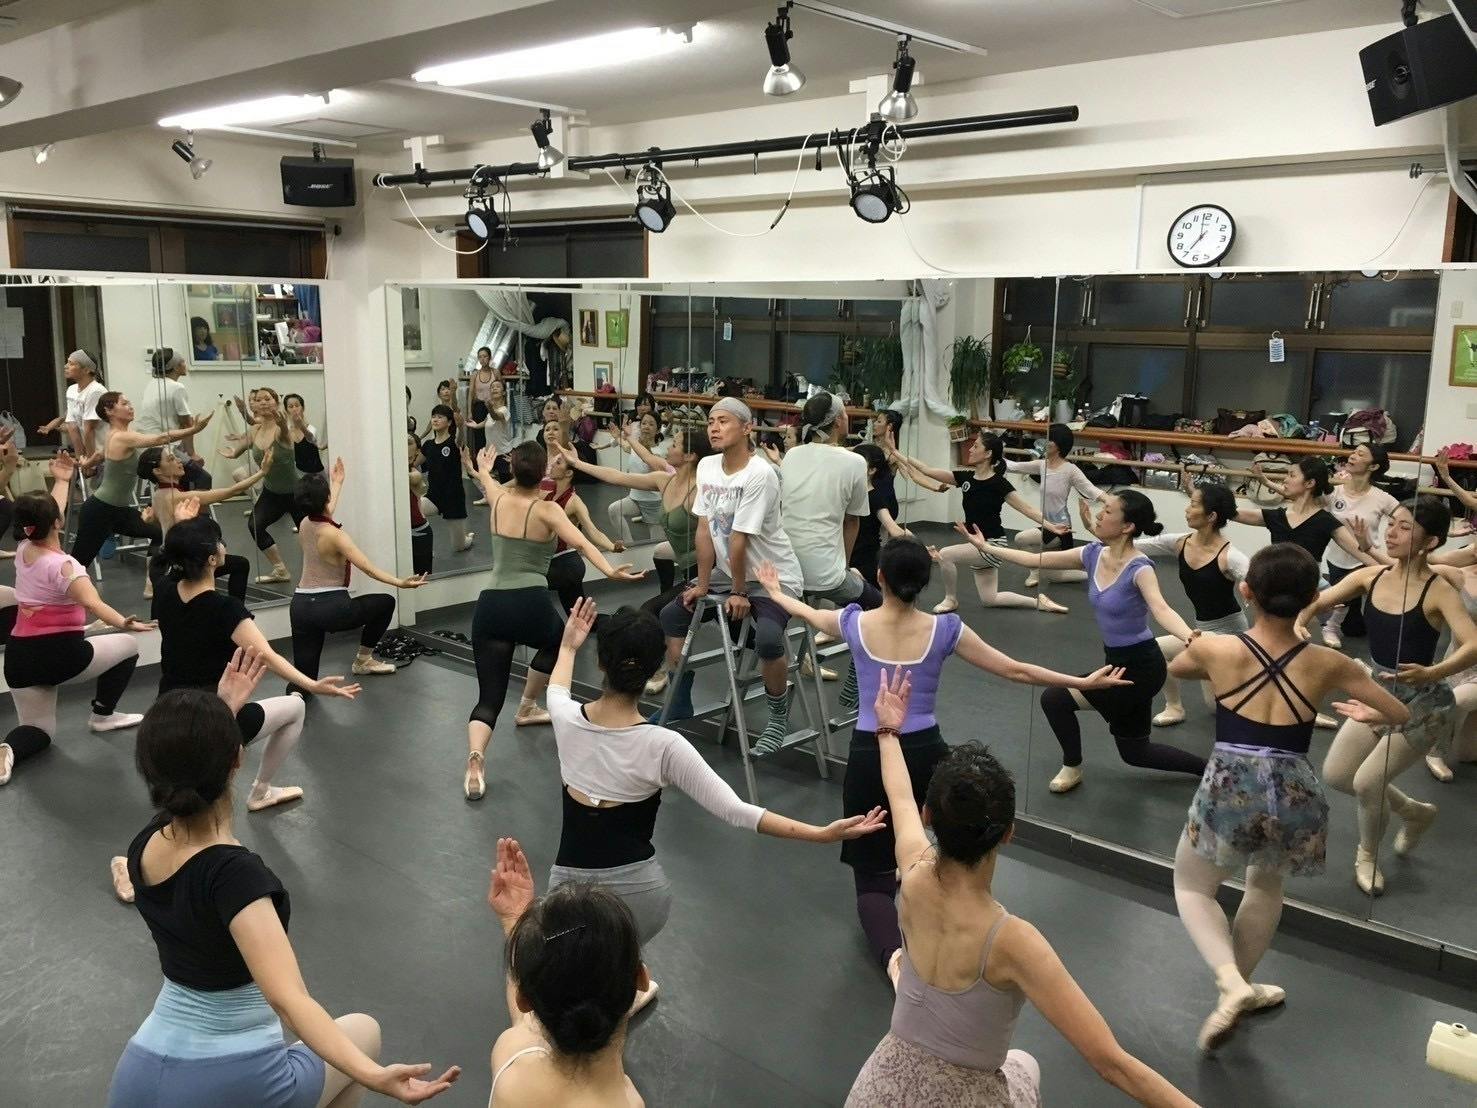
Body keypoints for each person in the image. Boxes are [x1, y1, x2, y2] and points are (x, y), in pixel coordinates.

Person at [758, 539, 1128, 977]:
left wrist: (776, 591)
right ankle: (963, 927)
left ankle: (894, 961)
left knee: (872, 880)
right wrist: (1082, 682)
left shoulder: (853, 622)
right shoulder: (945, 629)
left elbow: (806, 612)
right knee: (946, 843)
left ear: (879, 578)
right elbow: (1014, 668)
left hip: (871, 753)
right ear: (924, 582)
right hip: (929, 754)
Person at [847, 668, 1198, 1108]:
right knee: (1025, 1064)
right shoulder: (1013, 941)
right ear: (1008, 832)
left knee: (1022, 1064)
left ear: (928, 816)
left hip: (882, 1088)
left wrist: (887, 730)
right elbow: (1112, 1064)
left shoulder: (913, 873)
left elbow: (899, 794)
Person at [107, 671, 461, 1107]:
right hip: (230, 1079)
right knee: (364, 1031)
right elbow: (289, 1001)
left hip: (140, 1075)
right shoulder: (234, 877)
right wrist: (376, 1077)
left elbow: (189, 764)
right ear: (237, 759)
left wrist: (225, 709)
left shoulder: (146, 842)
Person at [543, 599, 886, 1005]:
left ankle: (621, 982)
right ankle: (627, 979)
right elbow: (736, 811)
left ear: (601, 663)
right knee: (608, 965)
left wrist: (569, 646)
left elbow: (557, 687)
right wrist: (822, 833)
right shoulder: (664, 745)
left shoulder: (564, 716)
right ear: (656, 669)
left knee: (574, 982)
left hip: (566, 894)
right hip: (640, 900)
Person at [1169, 542, 1407, 1051]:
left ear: (1246, 591)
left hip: (1232, 784)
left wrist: (1202, 643)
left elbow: (1179, 669)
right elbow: (1400, 713)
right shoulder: (1330, 663)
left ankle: (1230, 983)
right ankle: (1240, 989)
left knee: (1191, 886)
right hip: (1294, 788)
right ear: (1312, 599)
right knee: (1265, 887)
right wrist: (1369, 713)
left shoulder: (1218, 649)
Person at [973, 491, 1208, 795]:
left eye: (1107, 511)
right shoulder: (1092, 554)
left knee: (1055, 700)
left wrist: (1188, 636)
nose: (1099, 515)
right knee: (1135, 752)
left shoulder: (1140, 568)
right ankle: (1209, 769)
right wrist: (985, 547)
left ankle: (1072, 766)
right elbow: (1035, 559)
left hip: (1139, 669)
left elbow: (1161, 608)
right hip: (1118, 661)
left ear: (1127, 526)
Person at [1305, 498, 1477, 895]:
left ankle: (1367, 855)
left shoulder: (1438, 590)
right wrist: (1299, 620)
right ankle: (1413, 811)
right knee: (1338, 775)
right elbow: (1320, 601)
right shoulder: (1371, 576)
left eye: (1405, 527)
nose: (1392, 532)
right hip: (1379, 692)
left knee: (1368, 783)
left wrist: (1434, 672)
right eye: (1392, 523)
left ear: (1430, 542)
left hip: (1424, 704)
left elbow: (1472, 644)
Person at [459, 442, 642, 801]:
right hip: (530, 603)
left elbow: (487, 481)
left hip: (490, 606)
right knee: (559, 643)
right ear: (542, 472)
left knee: (488, 699)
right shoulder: (549, 510)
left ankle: (475, 760)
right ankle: (528, 704)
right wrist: (610, 571)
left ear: (513, 471)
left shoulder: (498, 499)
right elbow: (584, 544)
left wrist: (484, 469)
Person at [151, 507, 362, 814]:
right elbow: (269, 657)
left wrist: (183, 525)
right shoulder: (224, 609)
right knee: (296, 707)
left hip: (165, 715)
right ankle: (260, 791)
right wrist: (312, 685)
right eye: (219, 542)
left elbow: (169, 559)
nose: (224, 546)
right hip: (212, 717)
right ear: (212, 559)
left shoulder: (164, 590)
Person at [655, 398, 806, 755]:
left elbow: (739, 539)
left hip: (772, 576)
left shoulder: (760, 473)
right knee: (672, 615)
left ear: (747, 428)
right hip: (728, 573)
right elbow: (704, 530)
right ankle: (679, 698)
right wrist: (704, 584)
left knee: (768, 639)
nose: (714, 427)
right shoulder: (707, 466)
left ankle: (777, 718)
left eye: (723, 421)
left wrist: (739, 592)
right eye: (711, 421)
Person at [0, 454, 152, 789]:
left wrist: (62, 481)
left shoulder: (23, 549)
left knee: (38, 731)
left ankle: (7, 750)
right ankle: (102, 715)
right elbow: (94, 603)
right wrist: (124, 623)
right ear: (57, 523)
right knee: (127, 647)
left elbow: (46, 514)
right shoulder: (66, 566)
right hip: (61, 657)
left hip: (19, 658)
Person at [551, 427, 712, 695]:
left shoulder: (701, 490)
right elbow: (616, 476)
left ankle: (657, 669)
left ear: (690, 455)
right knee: (660, 579)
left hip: (706, 572)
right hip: (688, 570)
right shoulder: (664, 480)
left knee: (651, 611)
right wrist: (577, 463)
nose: (669, 447)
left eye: (675, 444)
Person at [486, 842, 647, 1107]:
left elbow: (524, 1022)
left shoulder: (512, 1065)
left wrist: (515, 920)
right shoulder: (630, 1102)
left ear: (524, 999)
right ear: (642, 978)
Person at [890, 428, 1069, 616]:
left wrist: (1051, 527)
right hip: (976, 543)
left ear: (988, 453)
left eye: (975, 446)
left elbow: (1027, 509)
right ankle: (1038, 602)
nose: (970, 449)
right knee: (990, 599)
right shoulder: (966, 478)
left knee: (946, 555)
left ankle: (950, 599)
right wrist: (895, 452)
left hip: (992, 544)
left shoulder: (999, 483)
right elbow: (925, 470)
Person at [780, 392, 886, 694]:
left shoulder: (793, 455)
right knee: (880, 606)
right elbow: (852, 522)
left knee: (823, 593)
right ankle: (860, 678)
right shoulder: (855, 461)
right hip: (823, 575)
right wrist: (844, 567)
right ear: (839, 421)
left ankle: (805, 656)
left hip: (786, 568)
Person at [288, 464, 426, 695]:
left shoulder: (304, 524)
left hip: (300, 608)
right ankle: (363, 660)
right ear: (325, 499)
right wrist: (400, 583)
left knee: (304, 681)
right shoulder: (336, 535)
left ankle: (294, 698)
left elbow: (324, 511)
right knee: (385, 603)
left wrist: (337, 482)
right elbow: (369, 569)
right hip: (332, 609)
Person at [1125, 481, 1250, 727]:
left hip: (1231, 636)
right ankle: (1174, 707)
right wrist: (1105, 535)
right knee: (1156, 650)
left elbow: (1262, 583)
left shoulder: (1231, 556)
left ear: (1211, 516)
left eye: (1193, 504)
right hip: (1202, 632)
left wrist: (1252, 592)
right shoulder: (1180, 542)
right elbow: (1135, 546)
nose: (1187, 509)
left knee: (1220, 709)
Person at [71, 392, 213, 587]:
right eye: (124, 403)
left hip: (119, 511)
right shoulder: (121, 437)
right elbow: (161, 438)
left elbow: (100, 454)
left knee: (160, 533)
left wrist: (88, 463)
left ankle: (151, 582)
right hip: (99, 510)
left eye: (129, 403)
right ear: (109, 411)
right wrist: (193, 429)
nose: (130, 406)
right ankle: (55, 598)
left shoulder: (115, 435)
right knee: (78, 565)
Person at [137, 445, 268, 603]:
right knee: (240, 564)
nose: (179, 461)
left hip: (171, 559)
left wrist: (150, 519)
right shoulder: (177, 497)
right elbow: (231, 491)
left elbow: (165, 524)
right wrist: (262, 472)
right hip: (185, 561)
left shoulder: (158, 494)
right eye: (171, 459)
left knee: (238, 564)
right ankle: (236, 609)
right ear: (158, 471)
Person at [1006, 423, 1106, 592]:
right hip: (1047, 525)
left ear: (1059, 445)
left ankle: (1098, 572)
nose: (1045, 443)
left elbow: (1090, 489)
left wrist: (1109, 500)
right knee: (1054, 577)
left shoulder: (1070, 470)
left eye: (1050, 440)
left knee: (1021, 538)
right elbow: (1013, 466)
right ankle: (1084, 570)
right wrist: (992, 452)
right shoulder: (1042, 465)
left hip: (1061, 528)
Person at [220, 388, 301, 585]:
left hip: (296, 493)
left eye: (267, 398)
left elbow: (285, 433)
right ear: (253, 405)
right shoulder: (255, 430)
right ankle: (280, 570)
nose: (263, 402)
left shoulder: (282, 430)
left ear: (276, 402)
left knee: (310, 534)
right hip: (272, 492)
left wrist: (282, 423)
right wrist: (232, 452)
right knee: (255, 526)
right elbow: (238, 450)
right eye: (258, 399)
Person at [1320, 444, 1398, 647]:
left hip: (1368, 559)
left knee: (1378, 601)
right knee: (1353, 628)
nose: (1353, 456)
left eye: (1360, 454)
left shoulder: (1381, 497)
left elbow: (1406, 517)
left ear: (1373, 466)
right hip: (1338, 559)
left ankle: (1337, 626)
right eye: (1354, 452)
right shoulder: (1334, 492)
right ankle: (1334, 625)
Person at [540, 445, 625, 622]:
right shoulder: (547, 494)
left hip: (565, 565)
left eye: (558, 463)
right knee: (582, 619)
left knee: (528, 585)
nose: (552, 465)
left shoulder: (574, 502)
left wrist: (611, 547)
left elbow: (592, 531)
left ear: (569, 473)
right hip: (556, 563)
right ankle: (619, 620)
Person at [1426, 536, 1477, 780]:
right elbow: (1415, 565)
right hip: (1460, 661)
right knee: (1467, 754)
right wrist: (1367, 547)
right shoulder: (1458, 575)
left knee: (1459, 700)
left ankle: (1435, 747)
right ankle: (1435, 749)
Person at [136, 349, 212, 491]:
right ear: (176, 367)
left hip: (146, 447)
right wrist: (192, 454)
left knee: (183, 475)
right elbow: (187, 425)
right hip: (162, 448)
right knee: (203, 478)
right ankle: (194, 506)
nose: (185, 363)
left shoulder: (152, 384)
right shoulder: (176, 387)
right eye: (182, 361)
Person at [849, 443, 910, 593]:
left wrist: (917, 545)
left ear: (871, 470)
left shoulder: (876, 498)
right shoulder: (847, 494)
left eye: (859, 463)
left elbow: (893, 528)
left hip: (865, 561)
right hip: (846, 557)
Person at [37, 350, 107, 468]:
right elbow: (72, 426)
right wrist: (80, 459)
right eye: (67, 362)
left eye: (71, 363)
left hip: (103, 455)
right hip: (87, 456)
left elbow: (89, 429)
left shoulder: (96, 390)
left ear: (86, 370)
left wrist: (90, 464)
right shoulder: (72, 390)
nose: (65, 366)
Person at [606, 414, 667, 545]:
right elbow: (627, 447)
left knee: (656, 545)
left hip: (653, 503)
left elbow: (652, 464)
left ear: (657, 429)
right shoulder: (636, 446)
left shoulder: (659, 452)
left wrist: (635, 441)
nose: (646, 427)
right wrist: (617, 437)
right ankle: (629, 544)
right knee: (614, 510)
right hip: (634, 498)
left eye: (651, 424)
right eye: (644, 423)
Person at [420, 405, 474, 554]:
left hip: (453, 499)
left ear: (449, 422)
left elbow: (460, 440)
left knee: (459, 547)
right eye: (433, 416)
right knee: (410, 510)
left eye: (440, 417)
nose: (435, 420)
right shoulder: (428, 445)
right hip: (433, 498)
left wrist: (461, 426)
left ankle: (467, 538)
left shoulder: (453, 443)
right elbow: (414, 462)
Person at [408, 435, 433, 578]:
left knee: (422, 580)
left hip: (420, 533)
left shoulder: (413, 473)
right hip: (403, 532)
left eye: (408, 442)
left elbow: (415, 478)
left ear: (417, 452)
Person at [284, 393, 327, 476]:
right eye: (291, 406)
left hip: (317, 474)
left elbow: (311, 438)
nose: (294, 409)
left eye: (297, 405)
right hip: (298, 474)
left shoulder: (311, 429)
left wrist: (301, 426)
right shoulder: (287, 432)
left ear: (303, 408)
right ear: (286, 410)